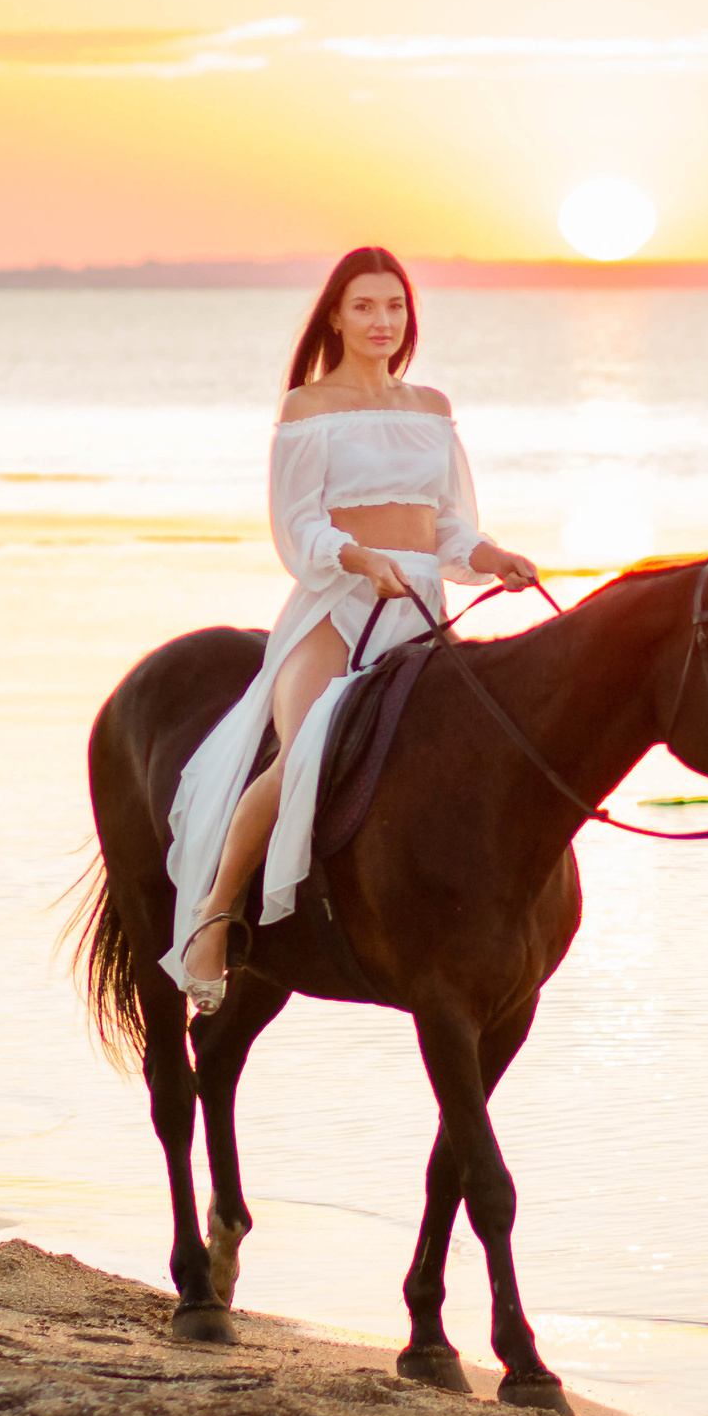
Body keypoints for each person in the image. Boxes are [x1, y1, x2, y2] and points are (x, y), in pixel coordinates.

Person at [165, 247, 539, 1012]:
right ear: (335, 314)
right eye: (365, 306)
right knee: (306, 749)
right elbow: (297, 527)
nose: (382, 321)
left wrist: (492, 555)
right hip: (337, 603)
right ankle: (215, 914)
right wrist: (359, 557)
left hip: (420, 606)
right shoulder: (308, 409)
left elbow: (447, 524)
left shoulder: (431, 407)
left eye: (395, 307)